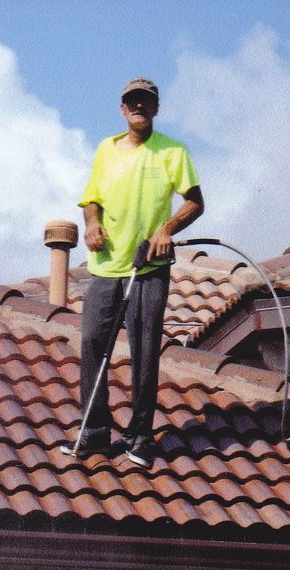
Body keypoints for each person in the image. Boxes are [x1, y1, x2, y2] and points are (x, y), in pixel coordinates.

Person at [73, 77, 204, 467]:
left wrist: (166, 230)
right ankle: (95, 434)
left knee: (145, 351)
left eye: (146, 102)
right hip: (106, 267)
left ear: (156, 108)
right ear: (122, 108)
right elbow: (90, 200)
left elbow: (195, 202)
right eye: (132, 102)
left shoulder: (172, 151)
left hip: (150, 266)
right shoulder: (105, 150)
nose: (139, 108)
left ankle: (140, 437)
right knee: (93, 344)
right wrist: (91, 224)